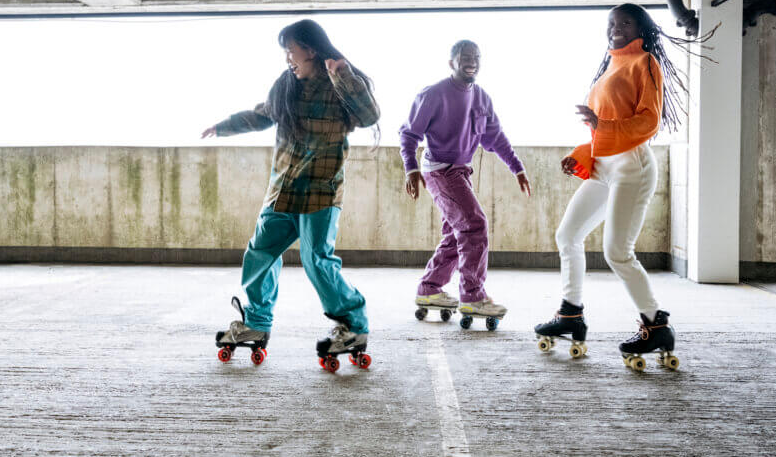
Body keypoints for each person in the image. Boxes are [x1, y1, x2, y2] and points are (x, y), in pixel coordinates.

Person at [534, 3, 712, 369]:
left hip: (633, 166)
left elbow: (648, 121)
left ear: (641, 28)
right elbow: (603, 126)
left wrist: (601, 127)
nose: (616, 27)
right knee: (568, 235)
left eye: (625, 22)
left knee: (617, 251)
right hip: (605, 167)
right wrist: (583, 153)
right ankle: (570, 314)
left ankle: (656, 324)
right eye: (612, 23)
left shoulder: (645, 63)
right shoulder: (610, 65)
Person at [202, 19, 379, 369]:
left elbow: (369, 114)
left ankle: (353, 325)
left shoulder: (340, 83)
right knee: (259, 253)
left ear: (310, 49)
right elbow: (261, 115)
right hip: (282, 191)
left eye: (291, 50)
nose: (288, 58)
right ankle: (256, 323)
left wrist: (343, 75)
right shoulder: (286, 85)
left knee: (317, 263)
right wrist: (223, 126)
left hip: (320, 192)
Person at [400, 39, 531, 325]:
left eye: (476, 56)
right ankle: (473, 296)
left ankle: (429, 289)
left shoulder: (482, 97)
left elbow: (495, 138)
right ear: (452, 62)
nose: (471, 60)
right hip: (439, 169)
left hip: (461, 171)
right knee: (474, 225)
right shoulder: (434, 94)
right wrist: (411, 169)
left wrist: (517, 168)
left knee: (456, 232)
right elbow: (409, 134)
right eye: (465, 56)